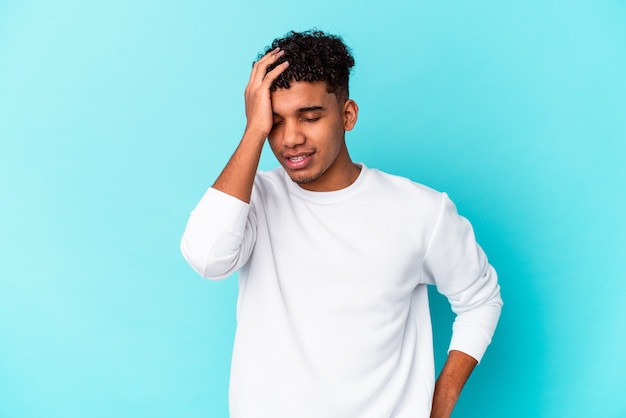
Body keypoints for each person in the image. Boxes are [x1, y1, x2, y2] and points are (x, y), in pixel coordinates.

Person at [181, 30, 502, 418]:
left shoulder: (421, 211)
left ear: (347, 115)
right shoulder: (253, 200)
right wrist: (253, 131)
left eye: (310, 116)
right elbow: (206, 258)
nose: (291, 138)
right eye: (275, 122)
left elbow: (480, 300)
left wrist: (441, 403)